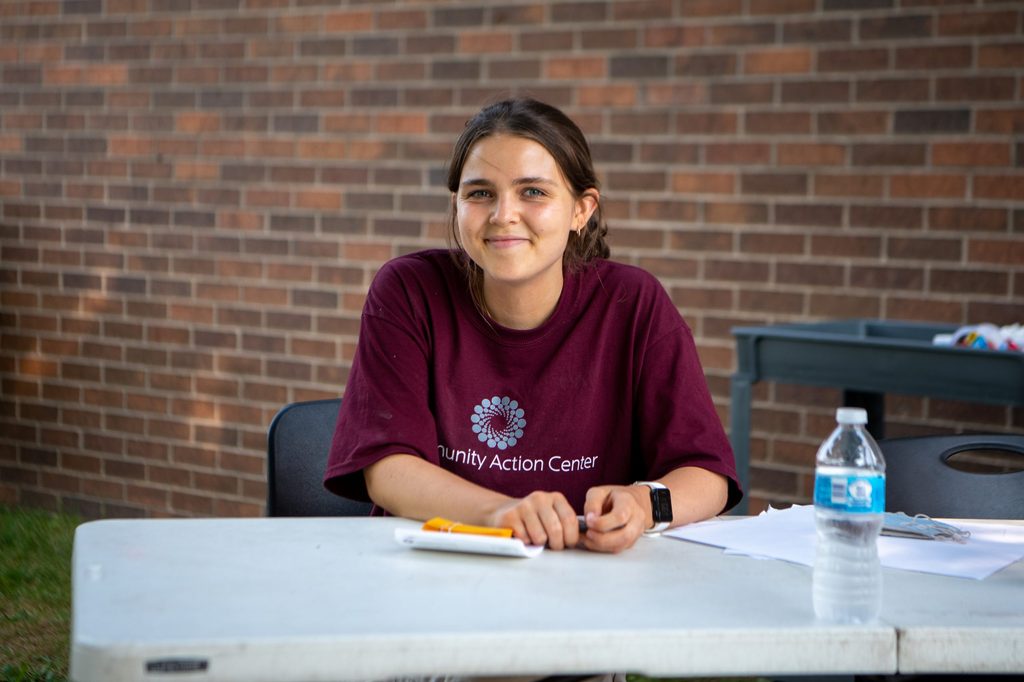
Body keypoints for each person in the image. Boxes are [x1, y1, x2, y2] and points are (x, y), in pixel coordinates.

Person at [324, 98, 741, 553]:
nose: (503, 214)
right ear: (457, 205)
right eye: (480, 193)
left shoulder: (633, 304)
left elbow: (707, 475)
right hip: (438, 572)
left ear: (581, 210)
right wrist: (503, 514)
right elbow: (386, 468)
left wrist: (643, 505)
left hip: (591, 578)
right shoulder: (409, 290)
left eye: (534, 192)